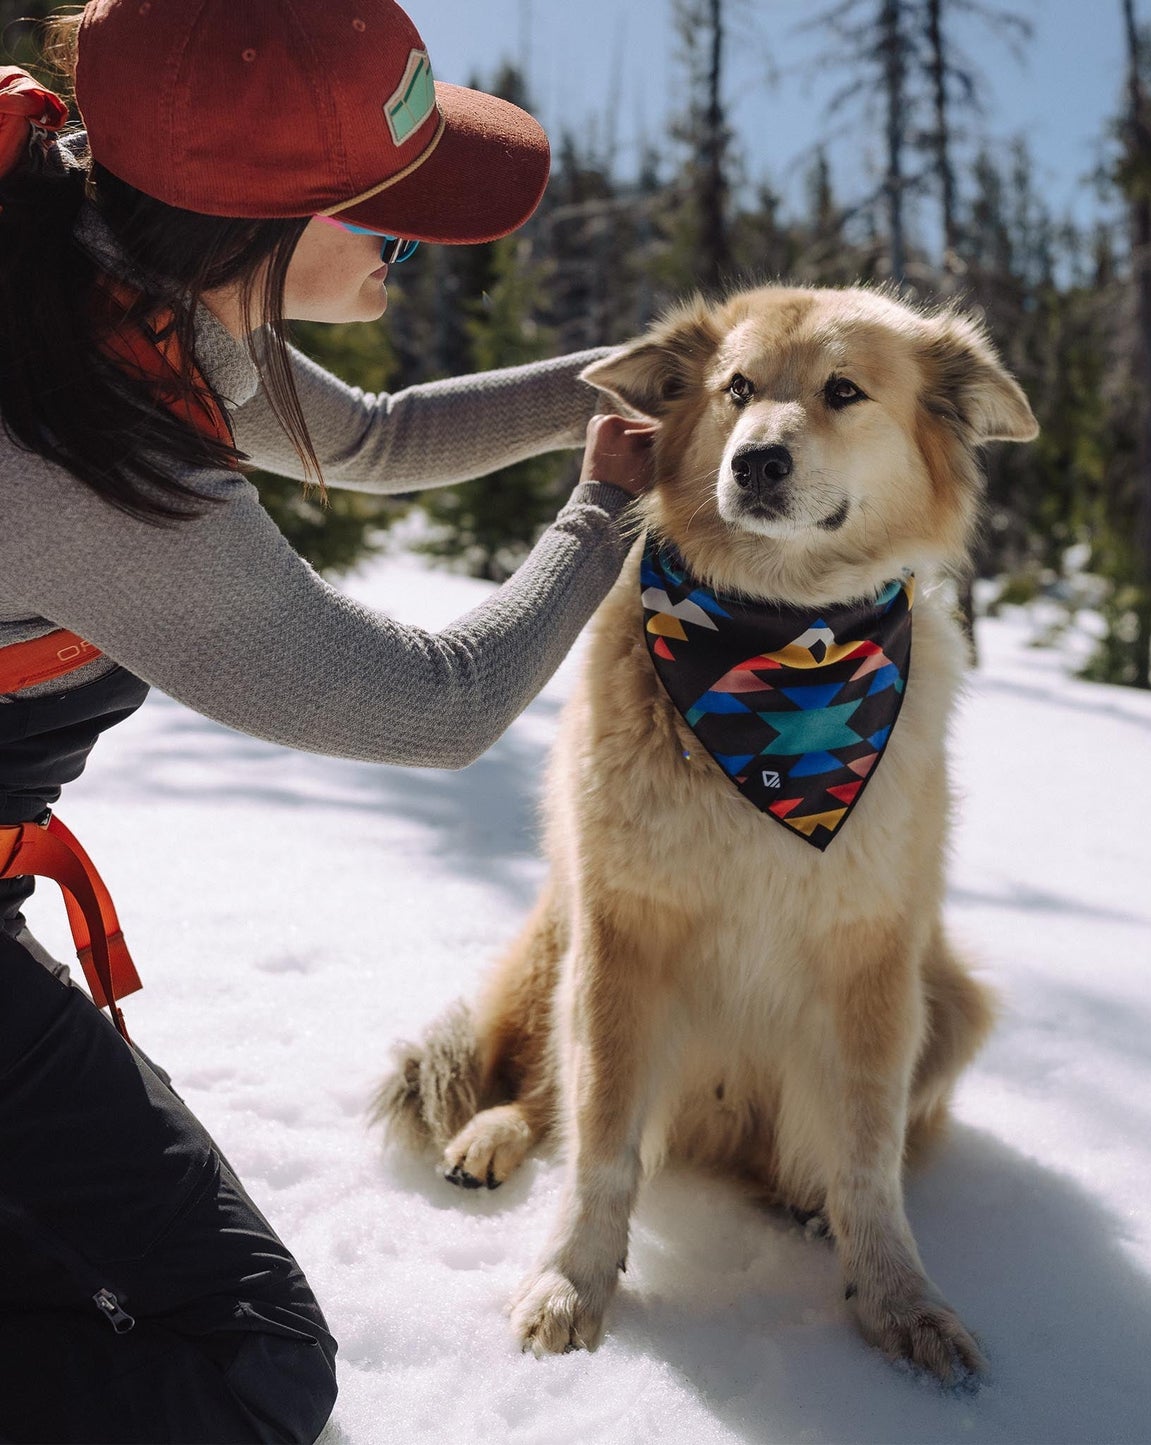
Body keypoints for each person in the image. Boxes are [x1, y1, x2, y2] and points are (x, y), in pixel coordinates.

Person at [0, 1, 654, 1439]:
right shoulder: (89, 444)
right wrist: (607, 512)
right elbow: (441, 703)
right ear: (255, 227)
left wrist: (621, 383)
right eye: (394, 229)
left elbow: (377, 437)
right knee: (247, 1365)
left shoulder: (77, 253)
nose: (410, 258)